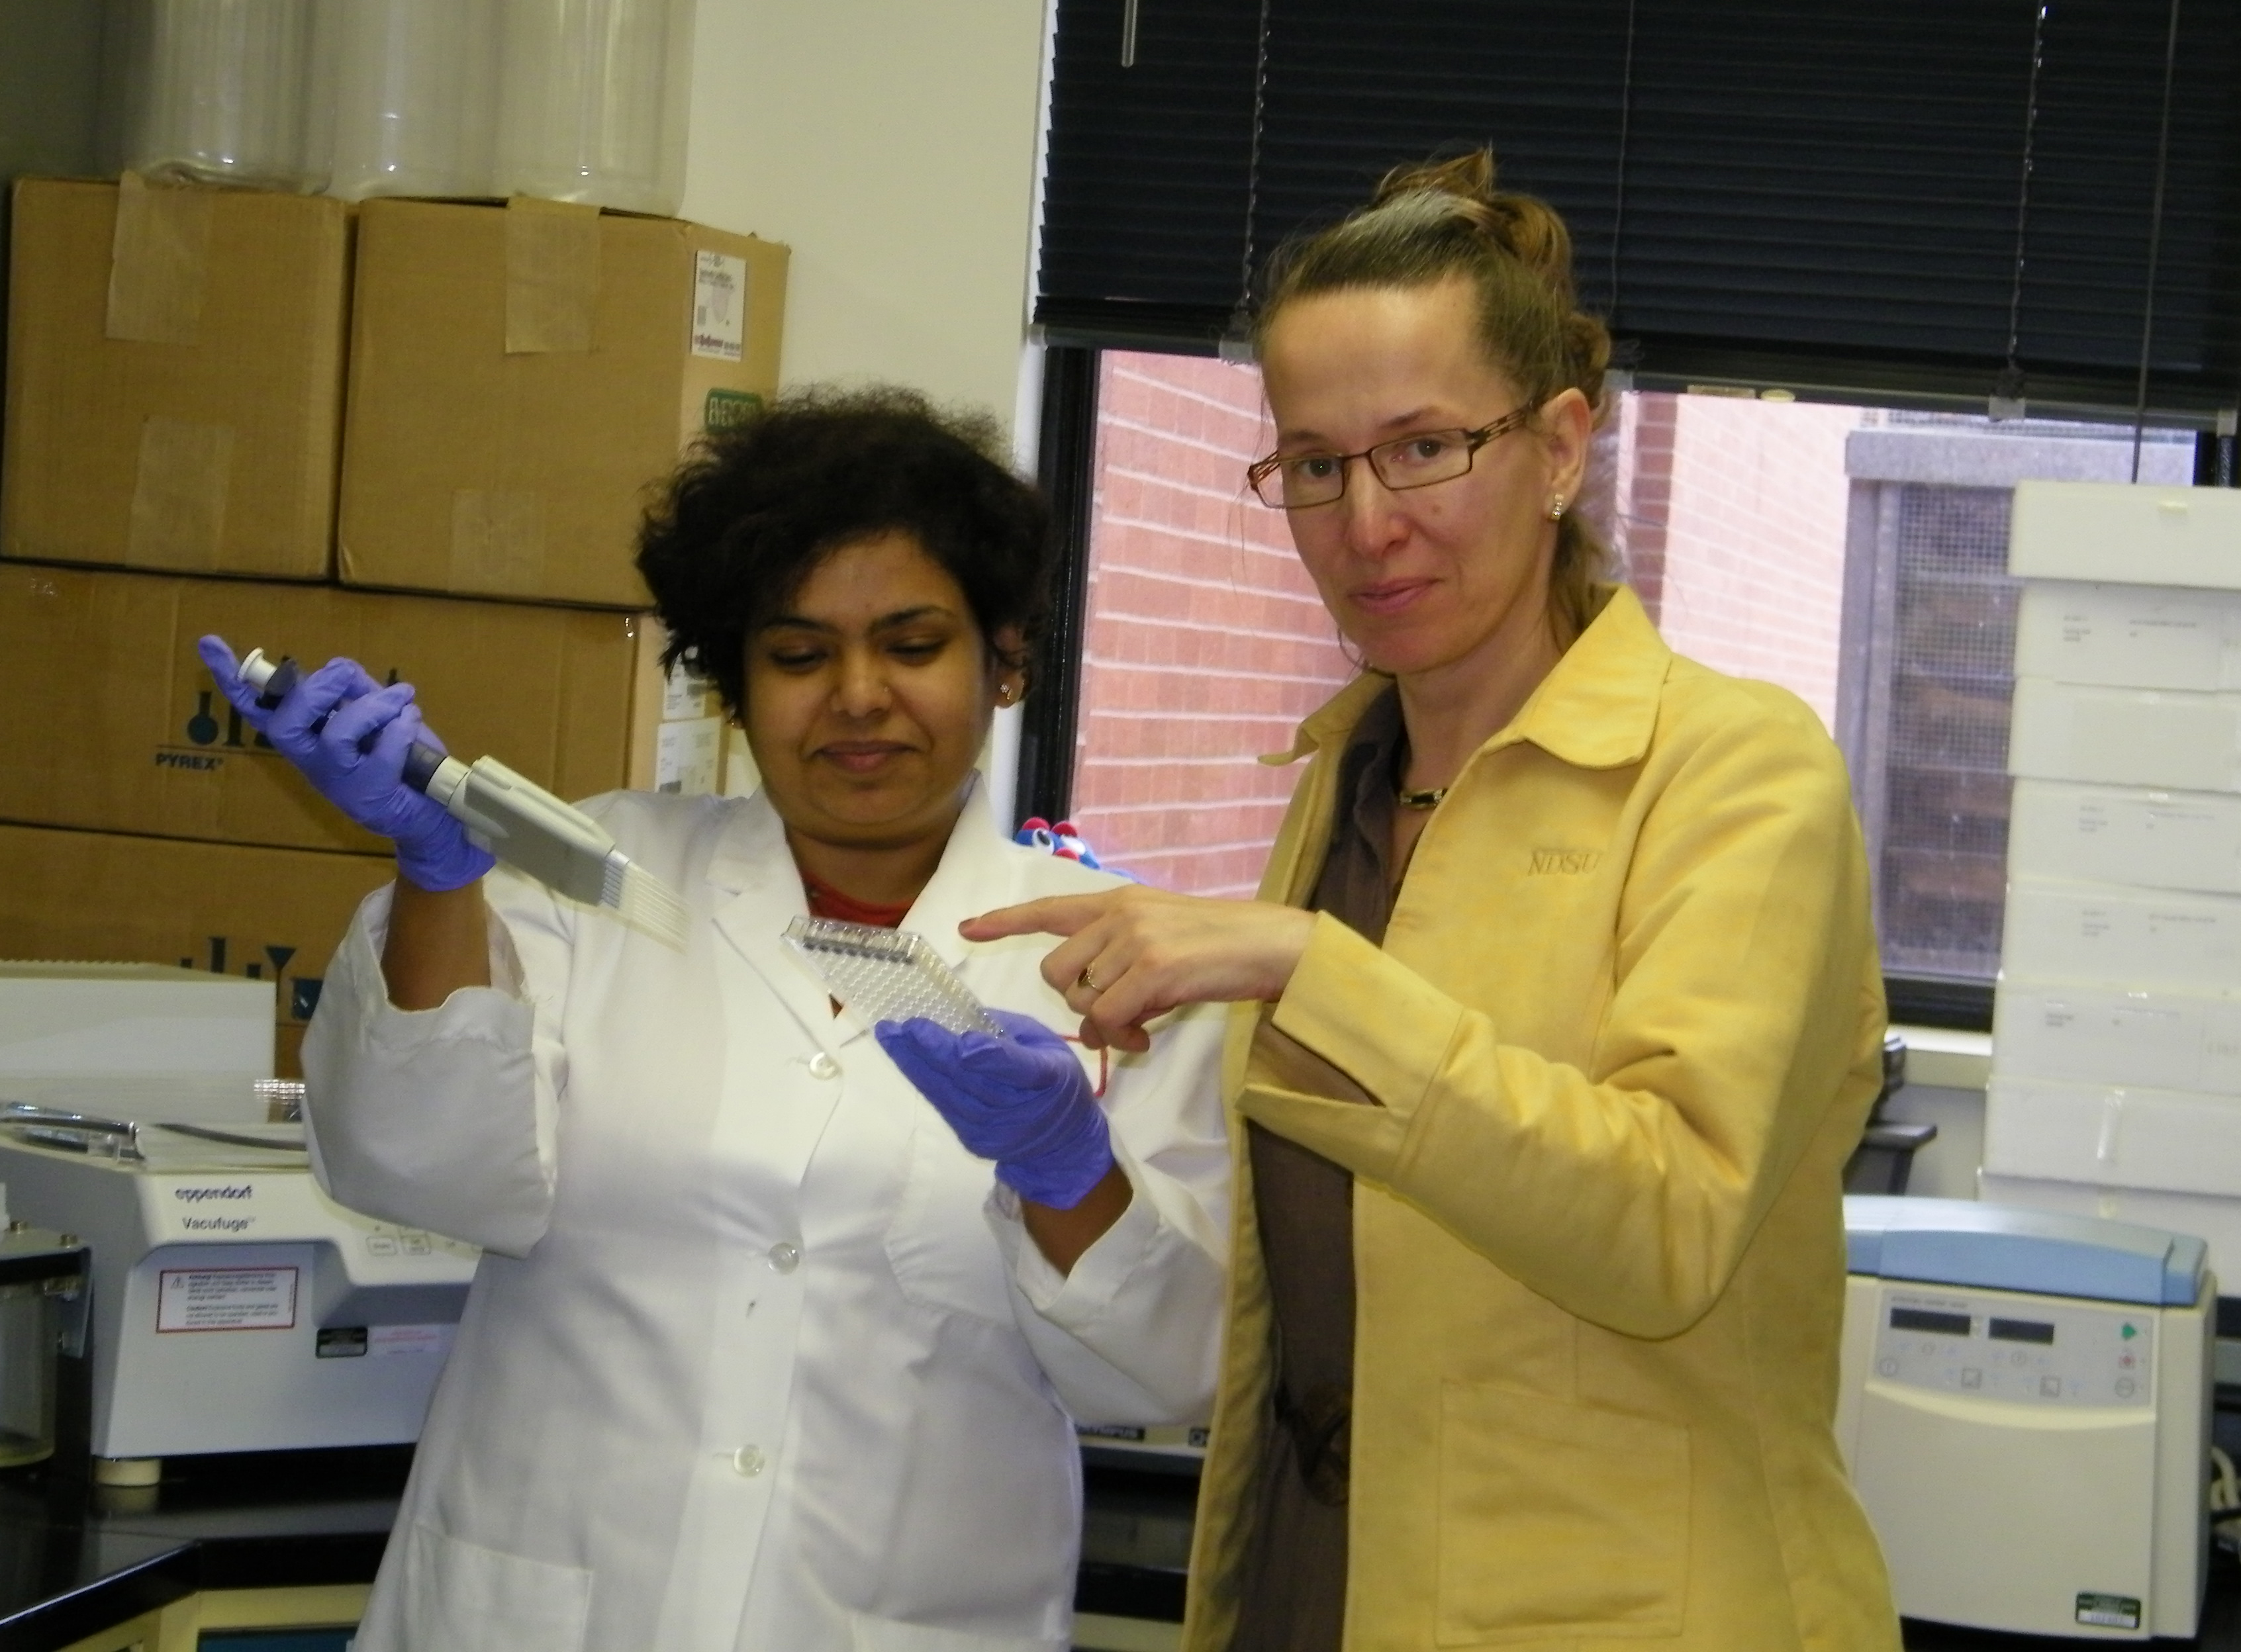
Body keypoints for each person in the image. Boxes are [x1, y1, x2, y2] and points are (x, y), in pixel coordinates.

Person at [965, 154, 1900, 1651]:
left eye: (1422, 449)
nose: (1364, 523)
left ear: (1558, 448)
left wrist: (1304, 966)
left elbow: (1667, 1225)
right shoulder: (1344, 784)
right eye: (1314, 465)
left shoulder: (1733, 769)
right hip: (1317, 1578)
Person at [197, 388, 1230, 1652]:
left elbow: (1160, 1373)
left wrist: (1068, 1171)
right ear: (736, 686)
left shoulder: (1120, 960)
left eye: (912, 645)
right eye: (798, 656)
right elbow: (418, 1169)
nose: (858, 696)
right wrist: (435, 876)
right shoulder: (597, 875)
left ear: (1003, 659)